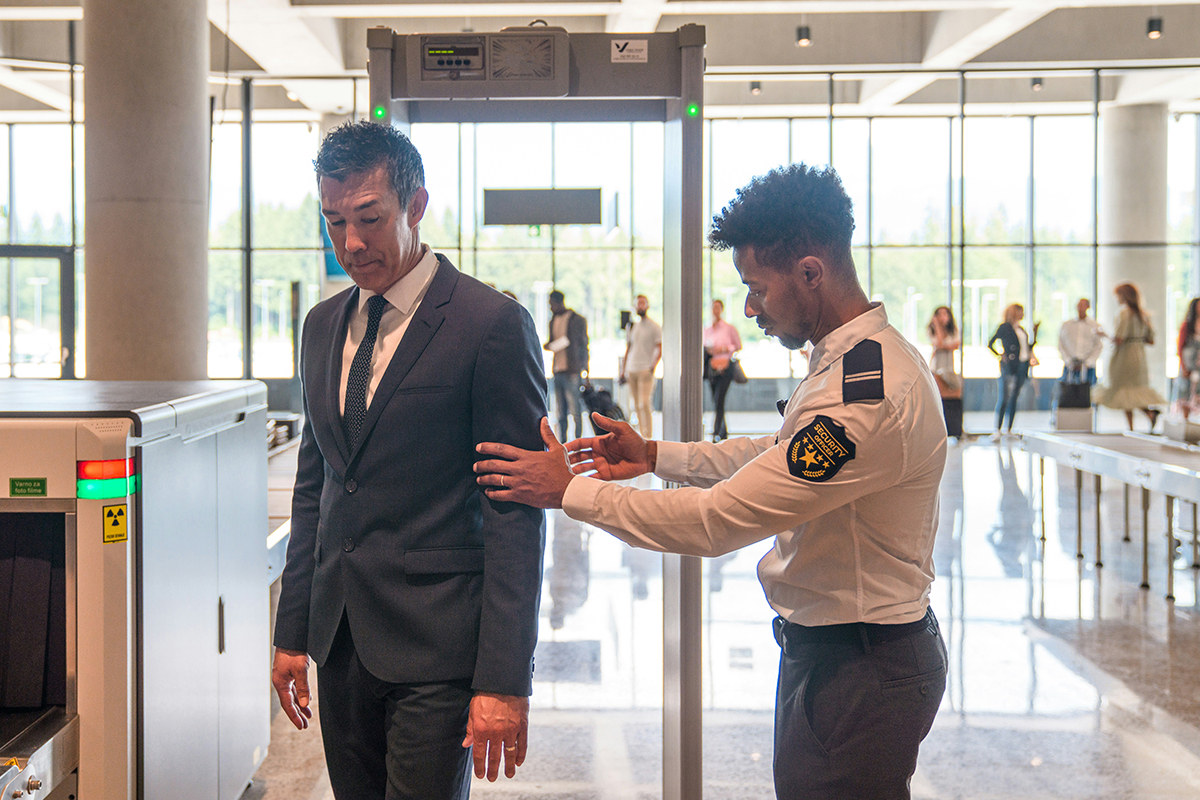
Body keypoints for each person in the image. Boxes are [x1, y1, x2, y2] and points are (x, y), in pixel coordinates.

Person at [475, 163, 948, 799]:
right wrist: (654, 456)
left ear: (811, 272)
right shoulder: (852, 361)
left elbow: (716, 521)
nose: (748, 307)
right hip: (841, 655)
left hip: (861, 667)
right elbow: (779, 454)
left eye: (756, 287)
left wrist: (568, 491)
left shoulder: (867, 393)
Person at [271, 121, 547, 800]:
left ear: (416, 206)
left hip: (439, 647)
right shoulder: (321, 326)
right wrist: (293, 631)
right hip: (341, 641)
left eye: (369, 218)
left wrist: (504, 680)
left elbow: (515, 511)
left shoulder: (489, 325)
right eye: (334, 222)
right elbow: (319, 487)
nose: (351, 243)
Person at [1095, 281, 1165, 431]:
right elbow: (1150, 340)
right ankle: (1147, 415)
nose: (1116, 299)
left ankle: (1134, 425)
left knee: (1124, 391)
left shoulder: (1124, 313)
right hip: (1139, 356)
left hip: (1124, 357)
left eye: (1118, 295)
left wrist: (1103, 334)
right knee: (1132, 392)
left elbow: (1118, 338)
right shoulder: (1143, 315)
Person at [987, 303, 1039, 441]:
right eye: (1020, 311)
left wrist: (1035, 333)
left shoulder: (1020, 329)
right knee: (1004, 397)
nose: (1023, 314)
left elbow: (1026, 347)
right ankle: (997, 429)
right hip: (1009, 367)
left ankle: (1009, 429)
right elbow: (990, 343)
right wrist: (1000, 355)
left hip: (1022, 366)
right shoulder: (1005, 328)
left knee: (1014, 397)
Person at [546, 290, 589, 442]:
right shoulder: (553, 320)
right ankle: (562, 442)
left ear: (558, 302)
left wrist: (585, 369)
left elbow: (583, 344)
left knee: (575, 409)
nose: (550, 307)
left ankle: (578, 441)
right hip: (558, 370)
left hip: (572, 370)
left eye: (551, 304)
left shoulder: (576, 319)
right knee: (560, 410)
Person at [620, 294, 662, 438]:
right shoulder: (633, 327)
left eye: (643, 303)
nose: (640, 306)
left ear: (647, 305)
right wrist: (623, 369)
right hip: (632, 369)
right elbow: (628, 348)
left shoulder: (654, 327)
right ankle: (641, 436)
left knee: (645, 403)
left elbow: (660, 347)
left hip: (645, 369)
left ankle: (648, 436)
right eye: (638, 304)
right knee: (636, 404)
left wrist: (653, 366)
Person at [703, 299, 743, 441]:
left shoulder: (729, 328)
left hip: (725, 369)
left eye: (718, 308)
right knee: (716, 401)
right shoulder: (707, 330)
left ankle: (715, 433)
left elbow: (738, 345)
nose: (715, 311)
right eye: (713, 308)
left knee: (719, 400)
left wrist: (724, 349)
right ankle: (723, 432)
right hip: (712, 370)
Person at [927, 306, 962, 437]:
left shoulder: (954, 331)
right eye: (940, 315)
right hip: (937, 368)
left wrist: (945, 346)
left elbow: (955, 345)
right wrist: (938, 327)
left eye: (945, 314)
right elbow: (940, 343)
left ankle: (955, 430)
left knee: (954, 395)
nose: (943, 318)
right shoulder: (932, 330)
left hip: (950, 368)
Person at [1058, 298, 1104, 387]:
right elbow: (1061, 344)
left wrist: (1088, 363)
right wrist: (1069, 361)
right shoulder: (1067, 325)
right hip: (1070, 366)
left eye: (1083, 305)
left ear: (1088, 307)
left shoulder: (1094, 325)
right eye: (1079, 305)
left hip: (1088, 367)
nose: (1080, 308)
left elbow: (1098, 346)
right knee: (1066, 394)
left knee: (1088, 394)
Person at [1175, 298, 1200, 417]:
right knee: (1185, 390)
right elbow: (1180, 346)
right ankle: (1185, 420)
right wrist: (1183, 366)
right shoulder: (1187, 325)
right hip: (1189, 361)